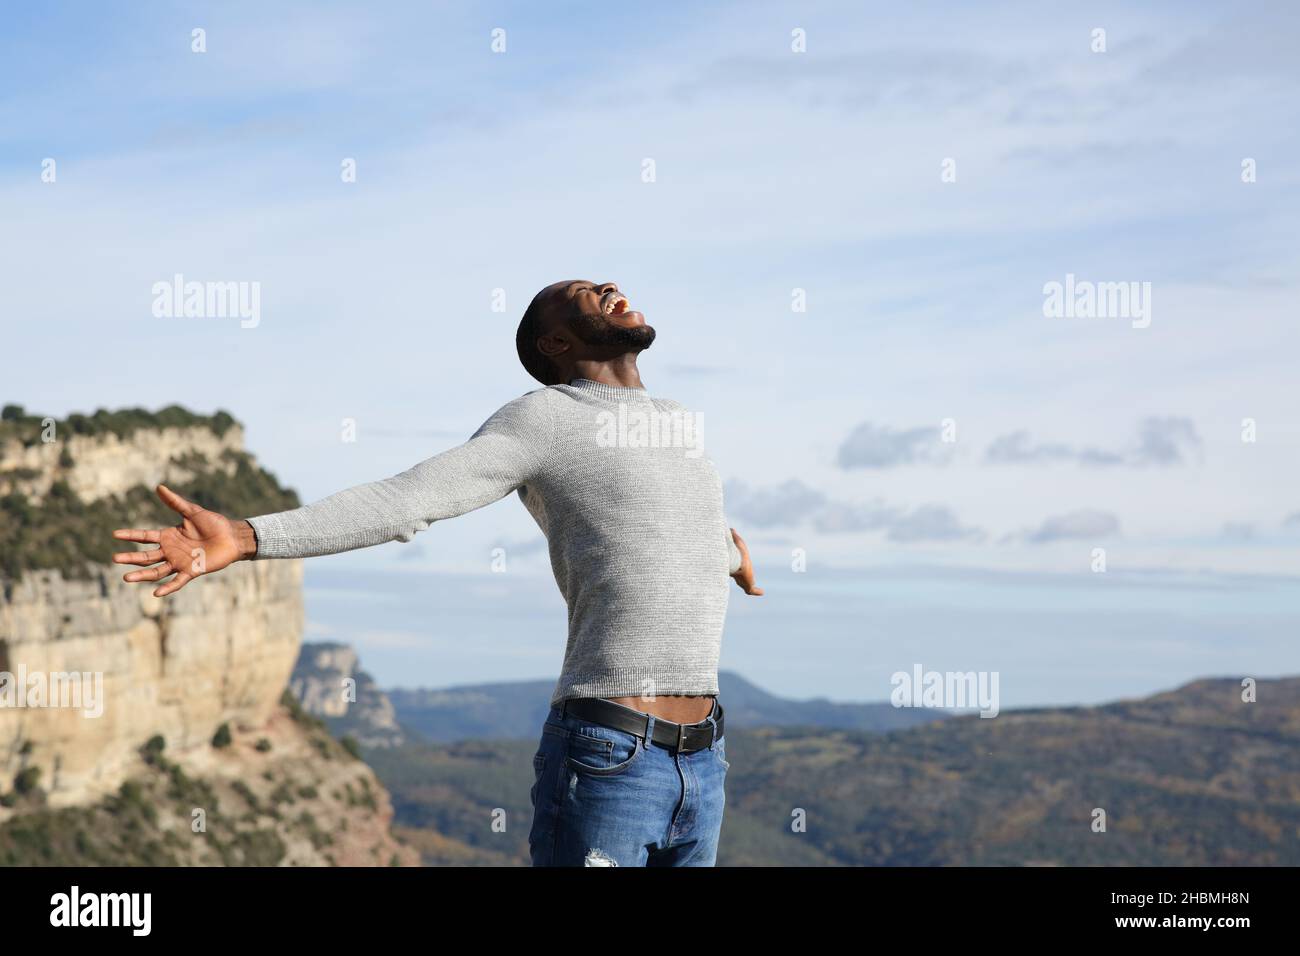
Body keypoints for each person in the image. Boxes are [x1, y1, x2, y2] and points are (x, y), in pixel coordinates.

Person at [112, 279, 763, 866]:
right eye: (584, 291)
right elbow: (407, 501)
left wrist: (732, 556)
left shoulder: (678, 423)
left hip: (705, 761)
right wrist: (250, 535)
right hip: (612, 757)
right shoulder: (544, 419)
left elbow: (678, 526)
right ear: (556, 341)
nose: (609, 286)